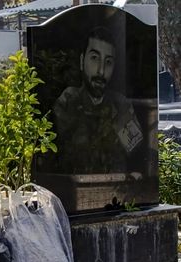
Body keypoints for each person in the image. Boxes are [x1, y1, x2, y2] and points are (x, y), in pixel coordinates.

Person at [52, 26, 143, 174]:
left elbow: (135, 153)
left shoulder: (121, 104)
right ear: (82, 61)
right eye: (95, 58)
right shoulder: (68, 100)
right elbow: (64, 153)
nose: (101, 71)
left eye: (108, 62)